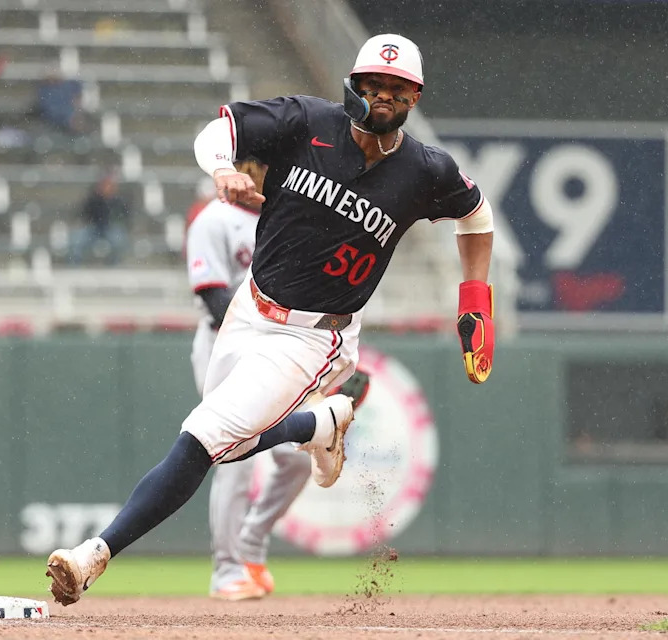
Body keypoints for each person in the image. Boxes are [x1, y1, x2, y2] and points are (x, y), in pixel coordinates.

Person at [45, 33, 496, 606]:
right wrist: (218, 169)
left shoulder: (426, 169)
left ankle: (94, 556)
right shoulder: (304, 119)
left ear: (415, 96)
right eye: (373, 85)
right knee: (228, 446)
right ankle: (320, 425)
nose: (383, 96)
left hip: (314, 335)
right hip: (249, 307)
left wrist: (475, 296)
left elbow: (476, 216)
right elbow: (220, 132)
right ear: (352, 85)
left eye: (397, 88)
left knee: (202, 439)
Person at [187, 158, 371, 600]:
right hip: (224, 346)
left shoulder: (294, 212)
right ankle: (227, 571)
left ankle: (249, 543)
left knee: (292, 459)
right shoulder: (214, 219)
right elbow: (214, 297)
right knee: (232, 454)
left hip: (287, 348)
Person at [69, 170, 130, 265]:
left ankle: (115, 264)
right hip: (93, 228)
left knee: (118, 240)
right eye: (104, 185)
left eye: (109, 185)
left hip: (110, 228)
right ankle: (75, 265)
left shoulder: (118, 200)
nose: (107, 187)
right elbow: (84, 214)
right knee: (76, 240)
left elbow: (124, 216)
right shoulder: (93, 198)